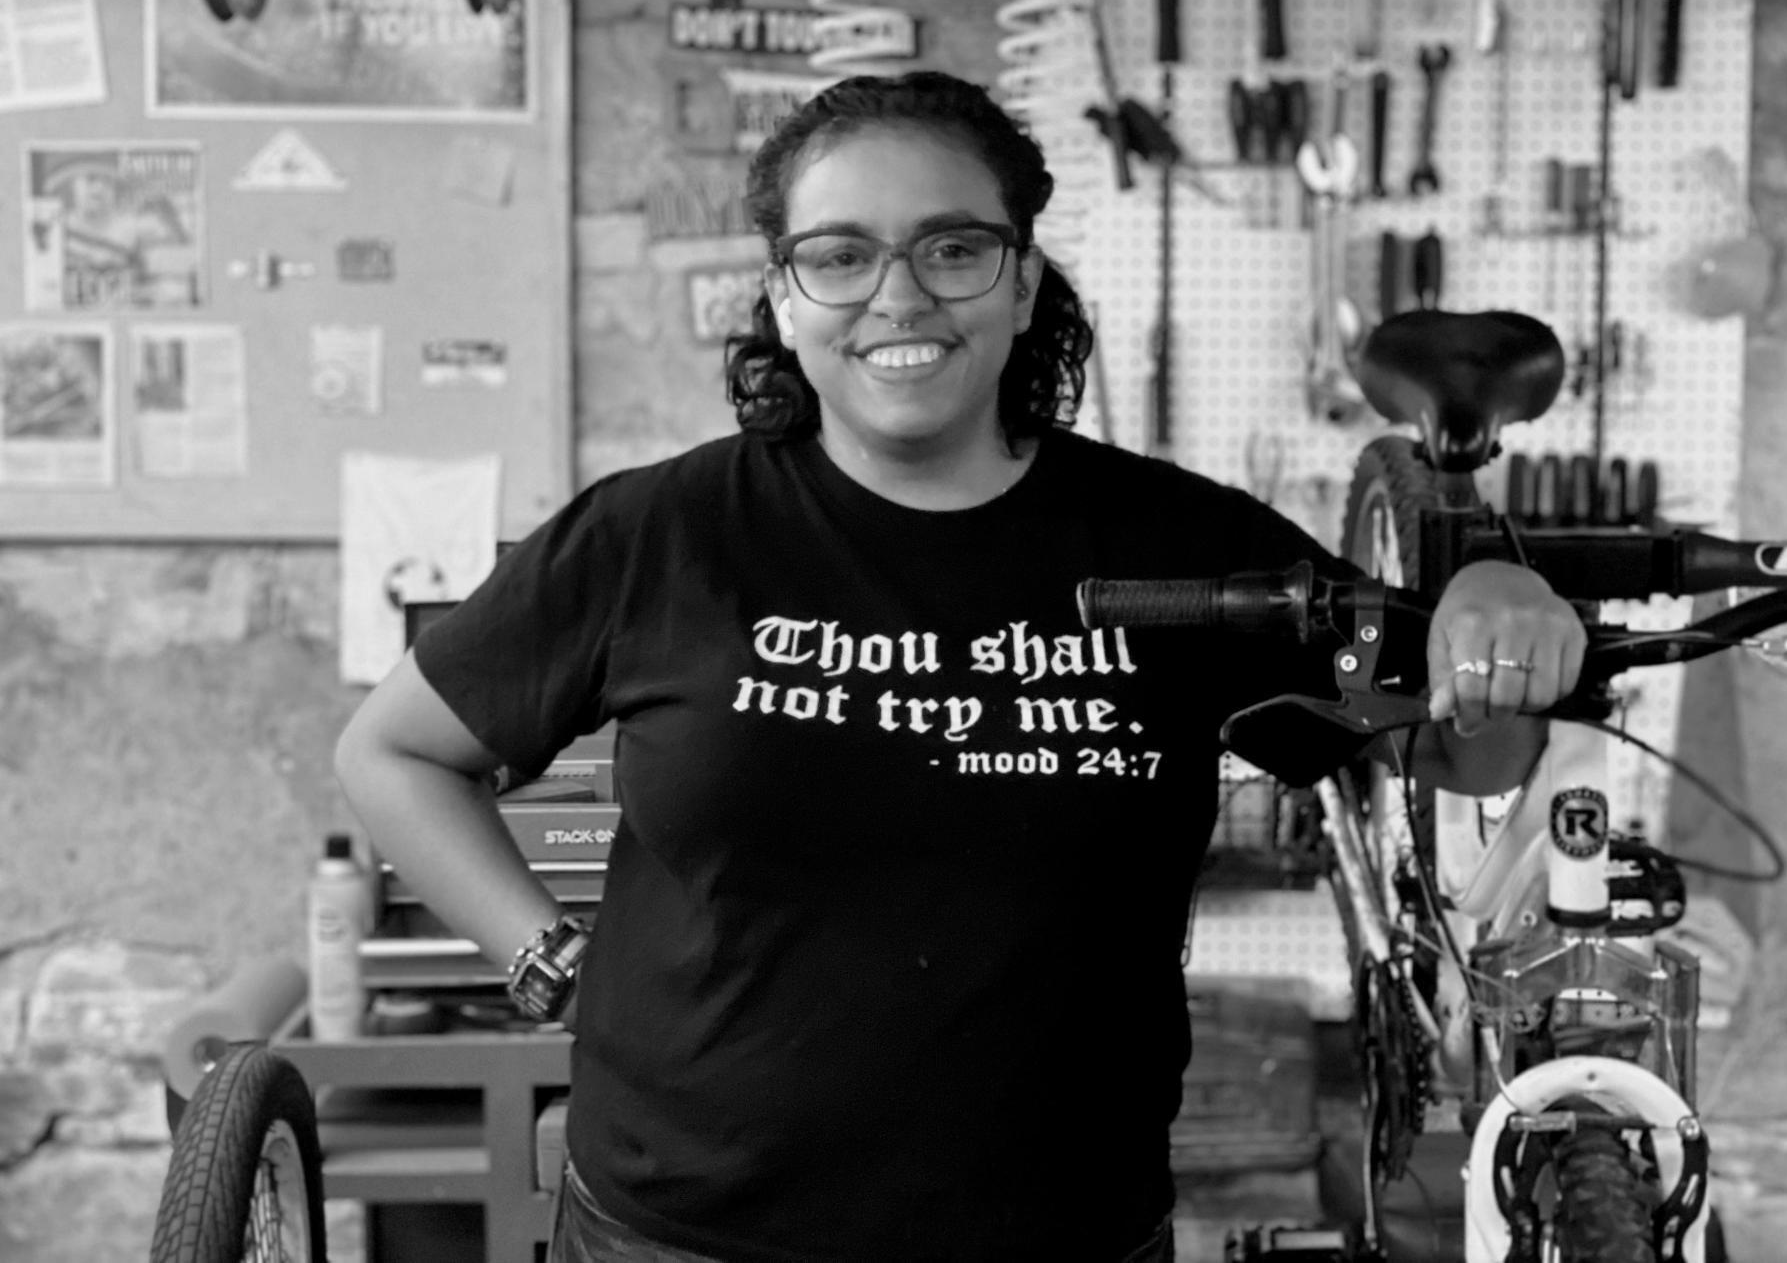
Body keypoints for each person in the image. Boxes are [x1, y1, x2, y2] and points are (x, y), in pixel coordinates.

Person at [333, 70, 1587, 1263]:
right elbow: (392, 754)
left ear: (1022, 278)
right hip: (680, 1228)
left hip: (1059, 1229)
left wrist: (1493, 603)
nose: (899, 297)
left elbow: (1451, 748)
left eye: (951, 248)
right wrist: (547, 961)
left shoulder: (1182, 546)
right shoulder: (657, 536)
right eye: (839, 255)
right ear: (783, 296)